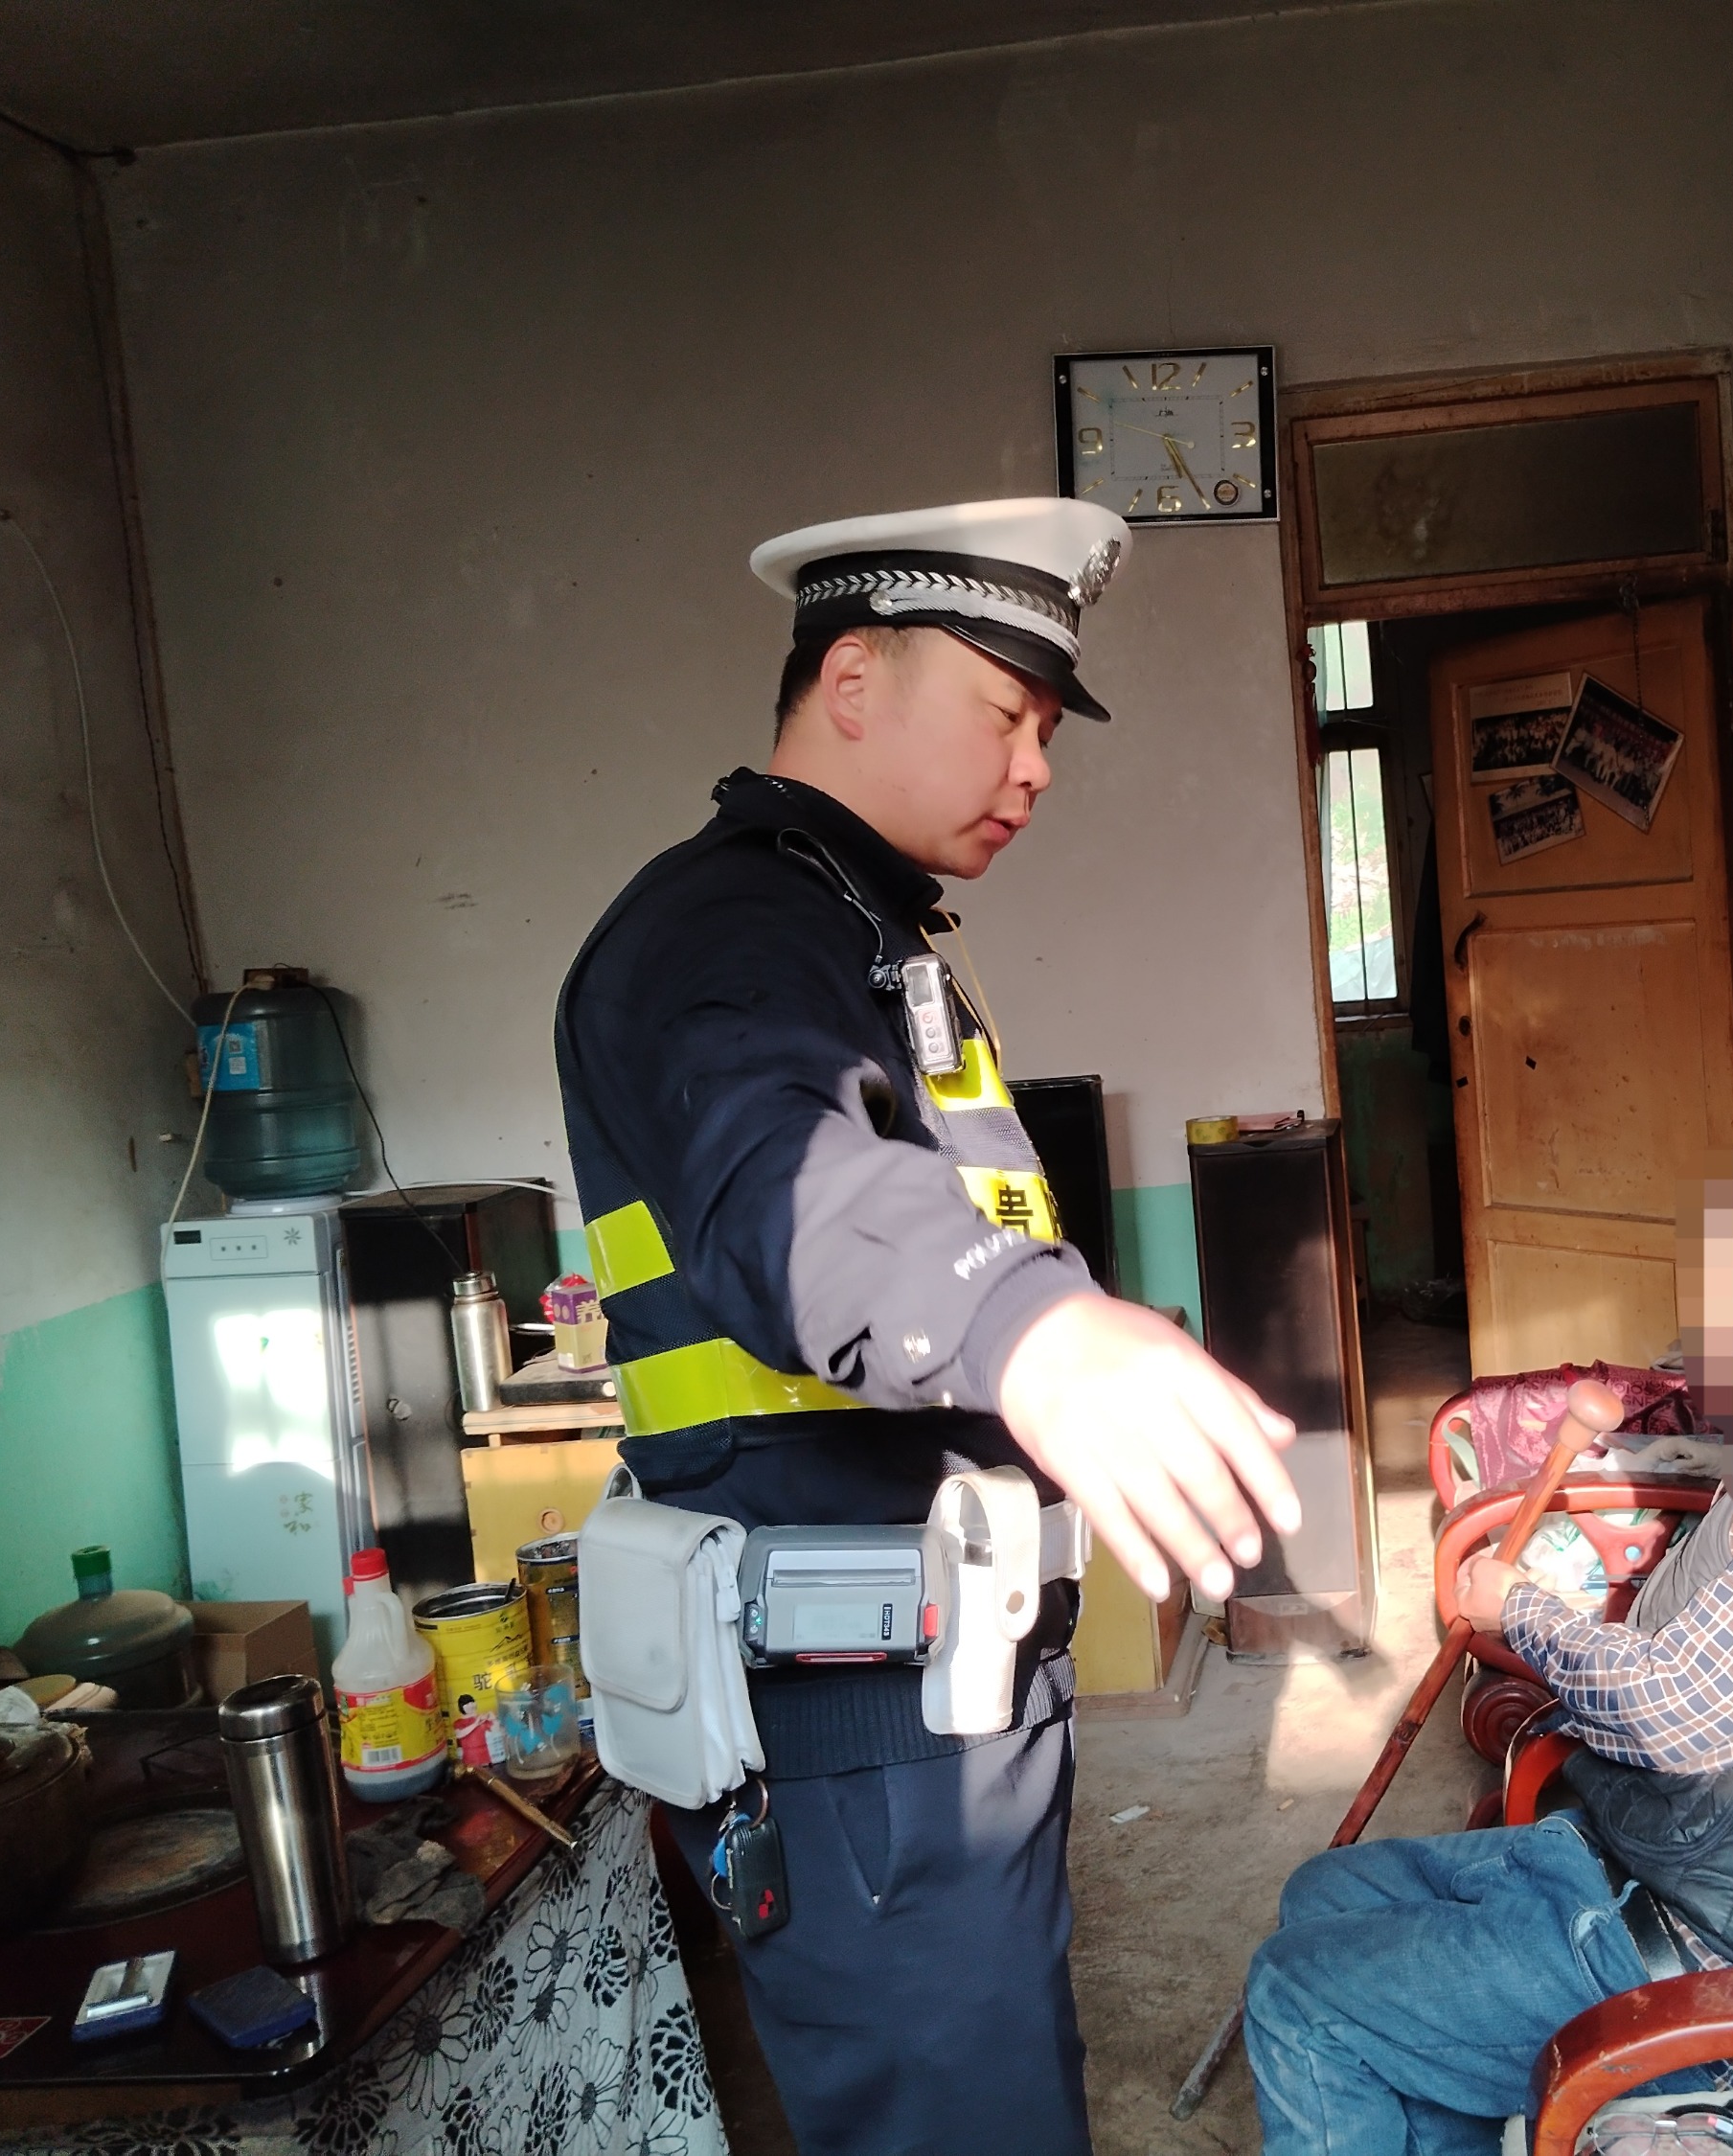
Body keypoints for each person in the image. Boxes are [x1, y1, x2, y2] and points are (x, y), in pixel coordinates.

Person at [555, 497, 1301, 2156]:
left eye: (1049, 734)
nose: (1036, 769)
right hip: (859, 1734)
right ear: (851, 681)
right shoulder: (734, 932)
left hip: (930, 1695)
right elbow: (787, 1189)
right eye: (1006, 713)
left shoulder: (857, 927)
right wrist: (1033, 1327)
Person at [1243, 1127, 1733, 2155]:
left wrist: (1524, 1611)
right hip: (1681, 1855)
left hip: (1721, 1952)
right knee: (1322, 1893)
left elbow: (1670, 1712)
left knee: (1298, 1995)